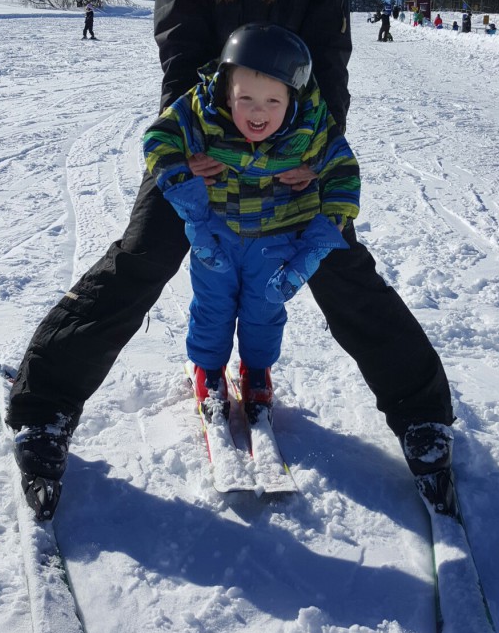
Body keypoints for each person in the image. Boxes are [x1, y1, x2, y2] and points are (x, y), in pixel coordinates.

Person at [6, 0, 454, 520]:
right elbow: (180, 54)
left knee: (338, 258)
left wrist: (314, 147)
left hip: (292, 140)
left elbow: (330, 63)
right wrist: (191, 149)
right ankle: (44, 406)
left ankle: (424, 417)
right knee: (147, 250)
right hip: (205, 134)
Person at [143, 23, 358, 416]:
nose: (259, 112)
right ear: (227, 91)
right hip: (216, 235)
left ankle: (257, 371)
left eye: (273, 101)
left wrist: (321, 238)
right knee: (212, 306)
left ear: (291, 96)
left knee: (265, 309)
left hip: (276, 239)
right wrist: (184, 180)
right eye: (247, 99)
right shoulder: (202, 110)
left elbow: (343, 170)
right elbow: (158, 139)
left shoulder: (311, 125)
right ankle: (208, 370)